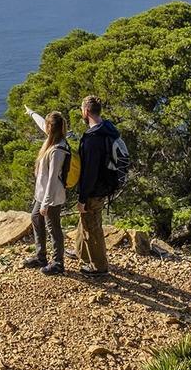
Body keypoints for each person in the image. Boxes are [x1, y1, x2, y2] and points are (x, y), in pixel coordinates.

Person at [75, 95, 120, 277]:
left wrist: (82, 197)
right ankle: (82, 254)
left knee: (92, 227)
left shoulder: (93, 138)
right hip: (104, 185)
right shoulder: (108, 129)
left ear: (86, 111)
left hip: (94, 190)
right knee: (85, 221)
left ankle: (99, 267)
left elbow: (90, 172)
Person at [22, 108, 69, 275]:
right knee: (35, 217)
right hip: (42, 195)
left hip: (52, 196)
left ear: (51, 128)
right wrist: (31, 113)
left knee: (53, 228)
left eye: (47, 126)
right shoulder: (52, 139)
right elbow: (42, 123)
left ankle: (58, 263)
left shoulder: (57, 150)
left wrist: (46, 203)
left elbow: (52, 178)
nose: (45, 127)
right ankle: (40, 256)